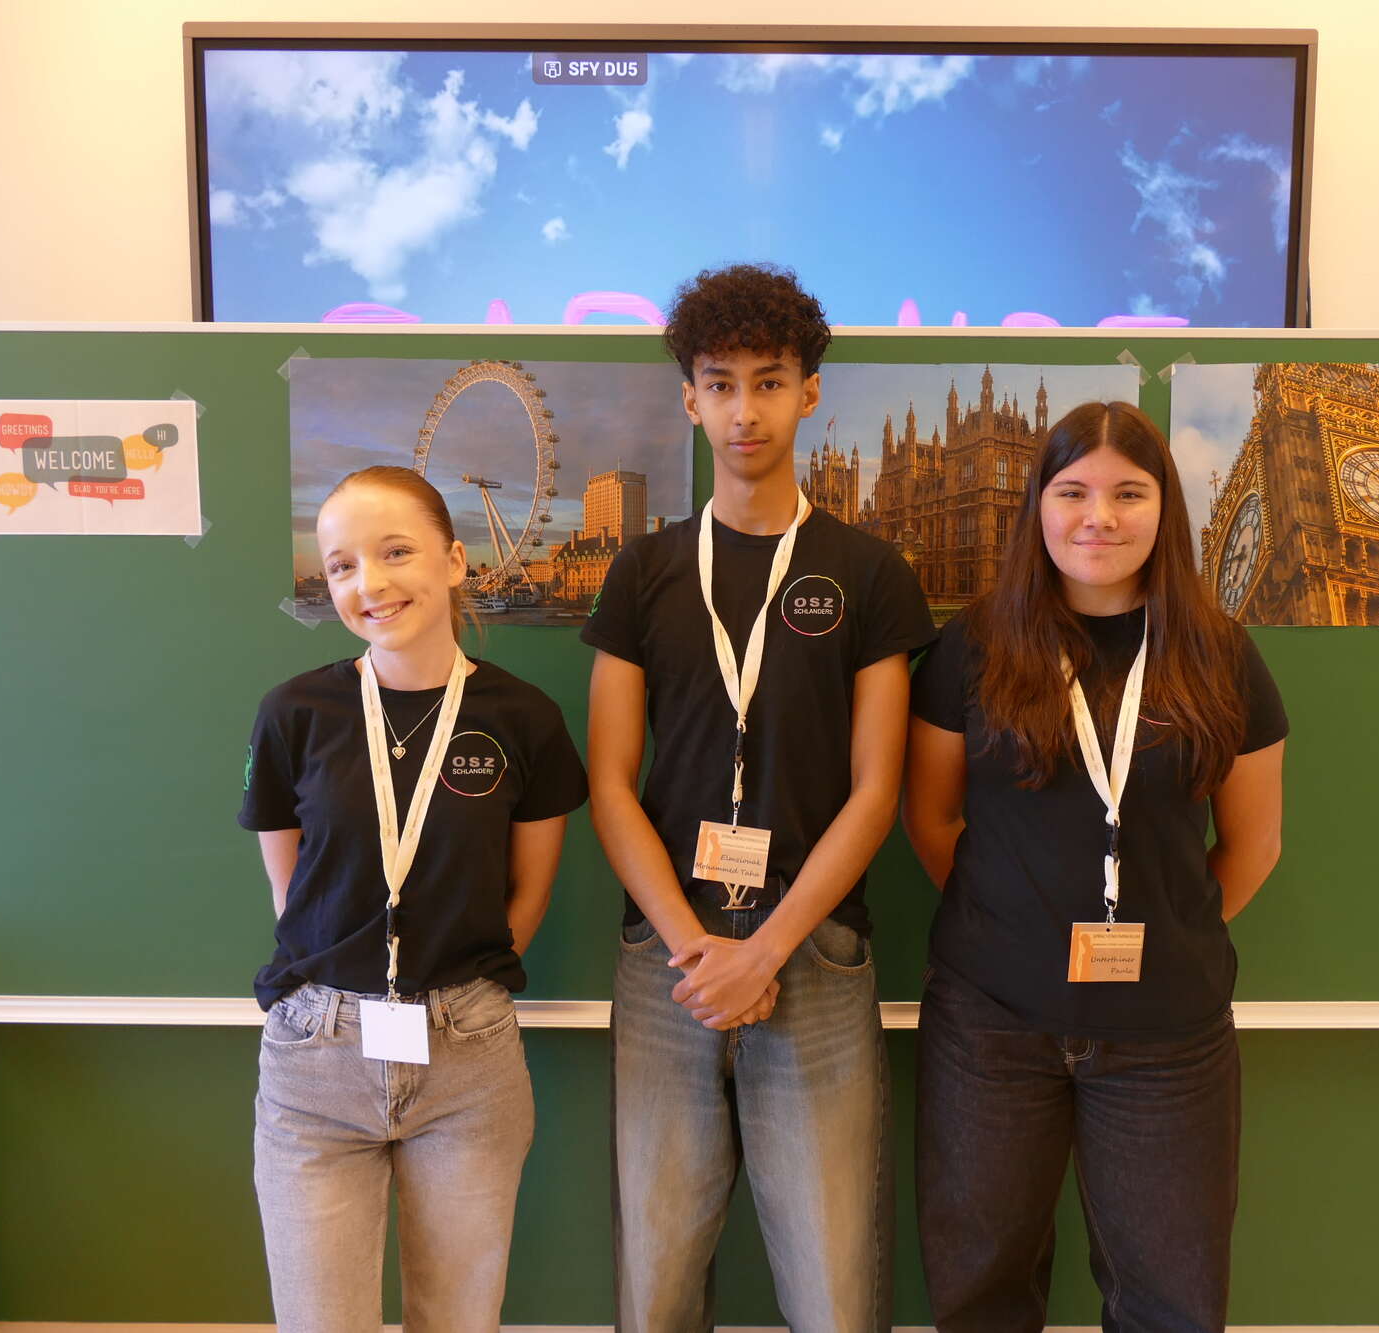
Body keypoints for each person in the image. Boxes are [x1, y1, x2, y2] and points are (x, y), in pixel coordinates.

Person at [582, 263, 936, 1332]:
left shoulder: (870, 572)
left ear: (809, 393)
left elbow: (876, 790)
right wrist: (697, 948)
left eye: (769, 382)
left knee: (834, 1290)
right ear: (690, 398)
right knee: (653, 1285)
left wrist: (764, 950)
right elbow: (610, 782)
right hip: (668, 961)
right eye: (721, 383)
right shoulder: (643, 571)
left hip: (814, 954)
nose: (745, 409)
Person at [902, 401, 1287, 1333]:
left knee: (1171, 1303)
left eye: (1128, 493)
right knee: (980, 1293)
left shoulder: (1221, 655)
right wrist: (1016, 925)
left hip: (1167, 1039)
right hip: (991, 1028)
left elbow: (1253, 844)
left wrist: (1171, 929)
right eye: (1072, 491)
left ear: (1165, 507)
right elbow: (932, 817)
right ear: (1038, 503)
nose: (1098, 517)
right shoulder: (972, 646)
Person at [240, 465, 588, 1332]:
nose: (370, 582)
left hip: (467, 1059)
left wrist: (458, 993)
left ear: (457, 560)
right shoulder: (293, 713)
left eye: (395, 552)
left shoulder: (525, 717)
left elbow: (532, 887)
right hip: (317, 1060)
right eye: (343, 565)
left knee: (459, 1319)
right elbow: (290, 886)